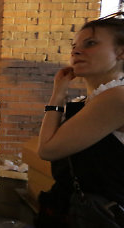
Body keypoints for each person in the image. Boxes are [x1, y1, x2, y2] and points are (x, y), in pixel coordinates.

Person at [36, 18, 124, 227]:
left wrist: (57, 95)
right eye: (74, 47)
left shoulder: (116, 97)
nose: (76, 52)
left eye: (90, 43)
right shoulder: (95, 99)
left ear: (121, 52)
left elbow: (47, 149)